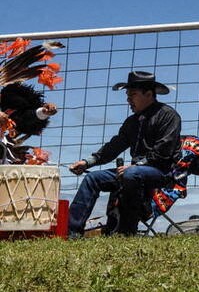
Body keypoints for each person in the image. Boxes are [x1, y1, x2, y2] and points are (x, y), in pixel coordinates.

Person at [68, 71, 181, 236]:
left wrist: (136, 165)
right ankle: (71, 232)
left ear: (149, 94)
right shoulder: (132, 122)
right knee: (92, 178)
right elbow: (114, 146)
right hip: (134, 171)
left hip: (162, 172)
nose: (128, 100)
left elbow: (164, 151)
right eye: (128, 95)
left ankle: (126, 232)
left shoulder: (169, 116)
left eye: (132, 95)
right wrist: (88, 162)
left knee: (131, 174)